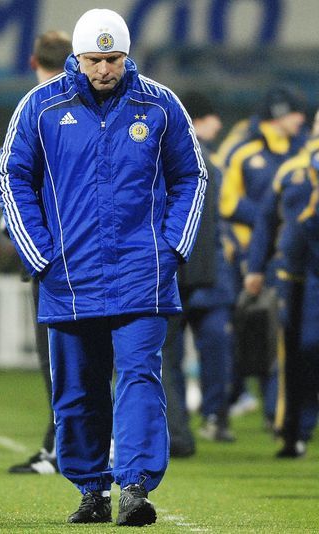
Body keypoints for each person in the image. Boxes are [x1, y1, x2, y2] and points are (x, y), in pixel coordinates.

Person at [0, 8, 207, 527]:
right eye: (94, 60)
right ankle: (91, 489)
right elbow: (11, 177)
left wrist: (172, 248)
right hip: (68, 276)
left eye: (114, 59)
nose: (105, 69)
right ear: (77, 57)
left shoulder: (160, 104)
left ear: (127, 55)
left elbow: (192, 177)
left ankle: (134, 487)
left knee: (140, 378)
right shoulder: (41, 106)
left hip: (142, 273)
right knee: (77, 391)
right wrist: (40, 254)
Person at [219, 86, 307, 425]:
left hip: (293, 254)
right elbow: (227, 202)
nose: (301, 119)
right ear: (281, 113)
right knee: (259, 329)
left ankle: (282, 410)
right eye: (295, 112)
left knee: (288, 330)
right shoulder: (244, 151)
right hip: (250, 256)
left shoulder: (302, 151)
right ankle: (246, 400)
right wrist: (269, 221)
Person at [6, 30, 72, 475]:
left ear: (33, 62)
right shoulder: (95, 107)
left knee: (57, 356)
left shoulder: (33, 109)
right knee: (105, 358)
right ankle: (68, 443)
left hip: (50, 255)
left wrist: (34, 251)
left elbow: (14, 181)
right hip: (95, 251)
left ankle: (70, 446)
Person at [162, 91, 235, 450]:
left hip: (177, 273)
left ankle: (178, 431)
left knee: (166, 355)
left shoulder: (168, 156)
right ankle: (203, 420)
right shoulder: (205, 162)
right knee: (202, 351)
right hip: (202, 272)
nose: (218, 125)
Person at [245, 120, 319, 457]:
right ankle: (292, 431)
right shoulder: (291, 170)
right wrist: (256, 266)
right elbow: (266, 220)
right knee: (296, 351)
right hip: (295, 277)